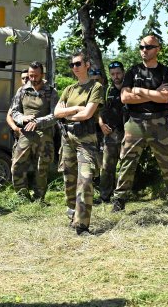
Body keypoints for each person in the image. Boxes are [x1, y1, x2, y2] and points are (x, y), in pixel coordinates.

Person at [112, 35, 168, 215]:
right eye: (141, 47)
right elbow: (125, 97)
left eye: (148, 47)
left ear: (158, 49)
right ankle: (119, 200)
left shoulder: (165, 72)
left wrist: (139, 91)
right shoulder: (132, 71)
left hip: (159, 122)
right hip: (135, 122)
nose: (144, 50)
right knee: (127, 162)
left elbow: (165, 97)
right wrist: (153, 93)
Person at [54, 51, 104, 235]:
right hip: (67, 138)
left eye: (77, 64)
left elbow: (87, 114)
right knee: (69, 179)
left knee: (85, 180)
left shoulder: (96, 87)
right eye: (72, 65)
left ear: (87, 65)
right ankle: (72, 216)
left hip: (86, 141)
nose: (74, 67)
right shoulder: (69, 89)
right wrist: (75, 109)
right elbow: (57, 112)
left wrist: (68, 113)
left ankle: (82, 226)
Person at [10, 61, 58, 202]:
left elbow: (55, 115)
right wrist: (23, 118)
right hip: (25, 134)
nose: (33, 78)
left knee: (41, 169)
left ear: (42, 75)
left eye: (36, 76)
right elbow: (13, 111)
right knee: (17, 166)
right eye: (31, 75)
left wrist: (38, 122)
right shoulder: (22, 90)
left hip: (44, 136)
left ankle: (38, 199)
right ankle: (22, 197)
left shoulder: (51, 91)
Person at [97, 61, 126, 203]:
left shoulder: (129, 89)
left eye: (118, 73)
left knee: (125, 166)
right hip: (111, 134)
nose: (116, 76)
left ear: (123, 72)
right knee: (107, 166)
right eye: (113, 74)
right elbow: (100, 111)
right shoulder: (108, 91)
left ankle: (121, 196)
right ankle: (105, 196)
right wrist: (102, 124)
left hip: (127, 133)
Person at [6, 70, 29, 139]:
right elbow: (9, 115)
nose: (25, 80)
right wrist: (16, 129)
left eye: (27, 78)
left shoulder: (43, 92)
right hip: (22, 133)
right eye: (23, 78)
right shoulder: (20, 92)